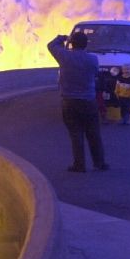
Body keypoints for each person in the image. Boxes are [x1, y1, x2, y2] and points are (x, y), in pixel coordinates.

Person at [47, 30, 109, 172]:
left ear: (71, 43)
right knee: (94, 134)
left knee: (76, 135)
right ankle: (99, 163)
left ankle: (79, 165)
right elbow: (95, 73)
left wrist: (62, 38)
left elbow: (51, 45)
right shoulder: (93, 59)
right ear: (86, 44)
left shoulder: (64, 56)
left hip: (69, 101)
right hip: (88, 100)